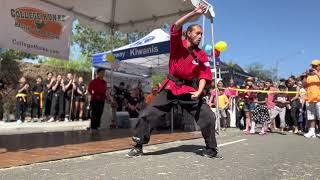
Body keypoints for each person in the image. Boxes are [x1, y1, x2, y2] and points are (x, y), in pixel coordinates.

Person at [127, 4, 223, 159]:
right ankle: (138, 145)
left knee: (208, 116)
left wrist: (199, 91)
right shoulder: (178, 44)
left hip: (189, 90)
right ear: (188, 33)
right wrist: (194, 12)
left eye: (201, 34)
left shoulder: (202, 55)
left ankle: (211, 149)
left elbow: (205, 75)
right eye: (197, 33)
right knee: (148, 114)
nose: (200, 36)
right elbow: (176, 26)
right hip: (170, 87)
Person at [303, 60, 320, 138]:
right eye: (312, 66)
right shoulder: (309, 76)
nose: (313, 67)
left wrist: (317, 73)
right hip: (309, 99)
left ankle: (318, 131)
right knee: (311, 116)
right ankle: (311, 131)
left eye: (315, 66)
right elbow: (304, 86)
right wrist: (305, 76)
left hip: (319, 99)